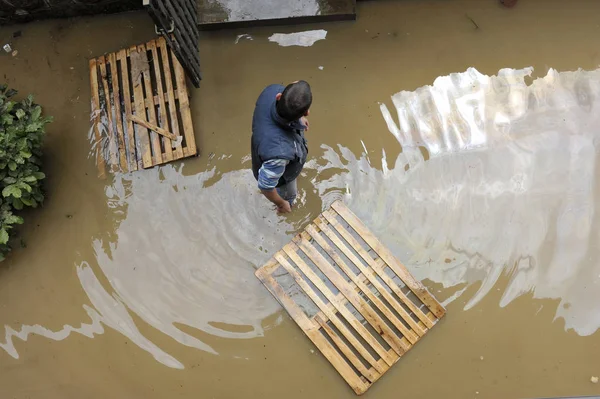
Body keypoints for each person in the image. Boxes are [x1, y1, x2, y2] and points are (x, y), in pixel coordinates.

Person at [251, 81, 311, 213]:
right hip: (280, 171)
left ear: (279, 96)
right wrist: (281, 203)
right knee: (289, 196)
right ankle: (285, 206)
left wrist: (299, 120)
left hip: (264, 141)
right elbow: (265, 185)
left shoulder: (271, 91)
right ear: (307, 112)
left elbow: (290, 99)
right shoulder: (279, 154)